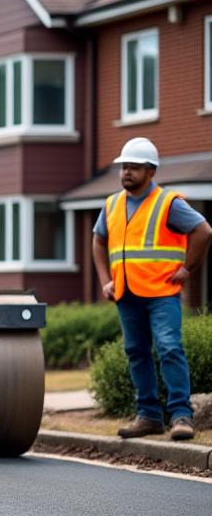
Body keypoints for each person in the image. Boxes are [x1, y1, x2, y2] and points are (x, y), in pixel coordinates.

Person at [92, 137, 211, 442]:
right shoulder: (112, 204)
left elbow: (203, 230)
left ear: (151, 171)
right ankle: (148, 416)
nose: (126, 172)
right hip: (126, 294)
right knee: (136, 352)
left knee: (170, 348)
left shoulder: (168, 203)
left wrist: (188, 268)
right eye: (123, 167)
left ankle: (181, 416)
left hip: (161, 293)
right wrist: (106, 279)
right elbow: (99, 240)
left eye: (133, 167)